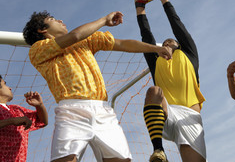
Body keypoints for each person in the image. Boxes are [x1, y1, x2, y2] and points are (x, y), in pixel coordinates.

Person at [23, 10, 172, 162]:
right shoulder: (38, 49)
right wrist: (104, 20)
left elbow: (122, 43)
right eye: (52, 19)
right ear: (42, 30)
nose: (60, 20)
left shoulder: (86, 40)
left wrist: (155, 48)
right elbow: (75, 35)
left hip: (103, 110)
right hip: (71, 111)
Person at [135, 0, 207, 162]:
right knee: (154, 91)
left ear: (179, 44)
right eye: (164, 42)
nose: (168, 42)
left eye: (172, 41)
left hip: (190, 116)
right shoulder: (156, 60)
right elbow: (146, 35)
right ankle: (158, 150)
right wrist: (139, 6)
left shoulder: (189, 55)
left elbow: (176, 23)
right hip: (166, 113)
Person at [0, 74, 48, 162]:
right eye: (4, 84)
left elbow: (42, 122)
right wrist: (11, 121)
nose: (9, 88)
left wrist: (40, 106)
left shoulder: (16, 109)